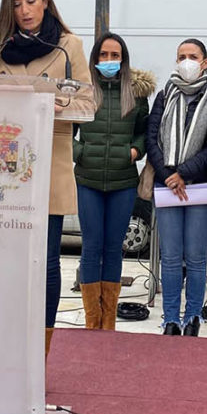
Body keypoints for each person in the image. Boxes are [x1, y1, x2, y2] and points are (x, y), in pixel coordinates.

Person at [0, 0, 95, 356]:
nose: (25, 11)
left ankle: (38, 352)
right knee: (6, 263)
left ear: (45, 0)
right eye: (16, 4)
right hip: (2, 172)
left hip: (47, 166)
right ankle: (3, 345)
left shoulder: (68, 47)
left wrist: (49, 102)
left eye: (31, 1)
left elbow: (87, 105)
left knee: (43, 262)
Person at [74, 32, 153, 330]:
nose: (109, 61)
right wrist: (80, 152)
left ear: (124, 59)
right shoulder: (83, 93)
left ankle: (109, 320)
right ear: (95, 59)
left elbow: (145, 132)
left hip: (122, 183)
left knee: (113, 248)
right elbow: (65, 133)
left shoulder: (135, 94)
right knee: (91, 247)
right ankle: (92, 319)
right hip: (88, 180)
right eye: (104, 55)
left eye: (115, 56)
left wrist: (135, 151)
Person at [146, 39, 207, 336]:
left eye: (193, 56)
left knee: (196, 256)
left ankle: (192, 317)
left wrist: (184, 174)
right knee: (171, 256)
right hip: (167, 186)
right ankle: (170, 319)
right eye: (181, 56)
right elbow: (153, 138)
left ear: (205, 62)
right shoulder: (165, 95)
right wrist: (168, 174)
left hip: (200, 186)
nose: (186, 61)